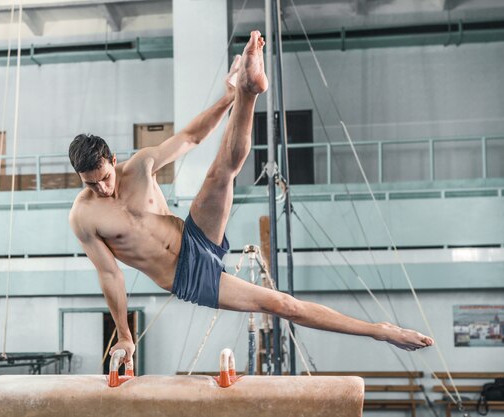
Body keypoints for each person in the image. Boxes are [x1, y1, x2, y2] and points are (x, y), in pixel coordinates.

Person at [68, 31, 433, 367]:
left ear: (113, 160)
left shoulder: (142, 164)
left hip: (195, 237)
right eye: (90, 184)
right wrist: (126, 336)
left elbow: (192, 137)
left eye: (104, 178)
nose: (101, 188)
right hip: (188, 278)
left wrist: (228, 97)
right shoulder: (84, 217)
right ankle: (380, 330)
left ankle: (248, 91)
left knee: (220, 172)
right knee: (282, 304)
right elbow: (110, 274)